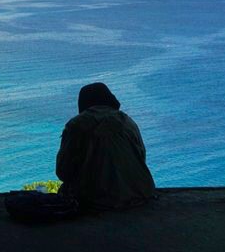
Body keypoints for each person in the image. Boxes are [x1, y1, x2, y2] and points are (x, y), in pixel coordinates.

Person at [55, 82, 156, 211]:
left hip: (95, 200)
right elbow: (141, 157)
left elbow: (63, 171)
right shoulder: (127, 121)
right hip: (141, 193)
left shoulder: (76, 125)